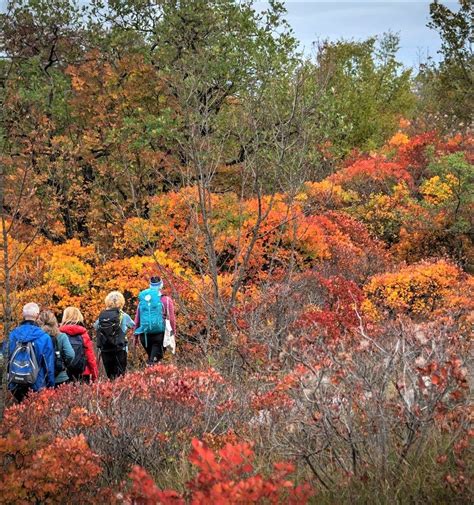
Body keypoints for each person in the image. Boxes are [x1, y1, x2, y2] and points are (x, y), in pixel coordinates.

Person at [7, 302, 55, 402]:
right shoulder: (44, 337)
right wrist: (51, 385)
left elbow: (4, 358)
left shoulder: (12, 335)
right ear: (37, 316)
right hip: (37, 384)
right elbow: (48, 365)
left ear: (23, 315)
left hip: (14, 383)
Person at [134, 276, 176, 366]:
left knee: (151, 359)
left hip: (144, 336)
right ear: (161, 285)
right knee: (155, 362)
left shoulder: (143, 301)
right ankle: (151, 378)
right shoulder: (166, 300)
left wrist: (136, 337)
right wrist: (173, 333)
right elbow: (172, 319)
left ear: (150, 285)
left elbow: (137, 320)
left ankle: (148, 377)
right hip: (159, 335)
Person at [94, 291, 134, 380]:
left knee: (111, 377)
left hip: (105, 349)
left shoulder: (102, 316)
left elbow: (96, 326)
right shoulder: (123, 315)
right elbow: (133, 325)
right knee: (120, 376)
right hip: (120, 348)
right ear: (121, 302)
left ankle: (112, 393)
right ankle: (120, 393)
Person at [59, 307, 98, 383]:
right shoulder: (83, 334)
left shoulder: (59, 334)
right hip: (83, 372)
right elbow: (91, 357)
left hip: (64, 373)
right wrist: (94, 375)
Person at [38, 310, 75, 387]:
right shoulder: (61, 336)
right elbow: (70, 355)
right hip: (60, 377)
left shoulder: (37, 337)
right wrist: (64, 364)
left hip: (41, 378)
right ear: (54, 322)